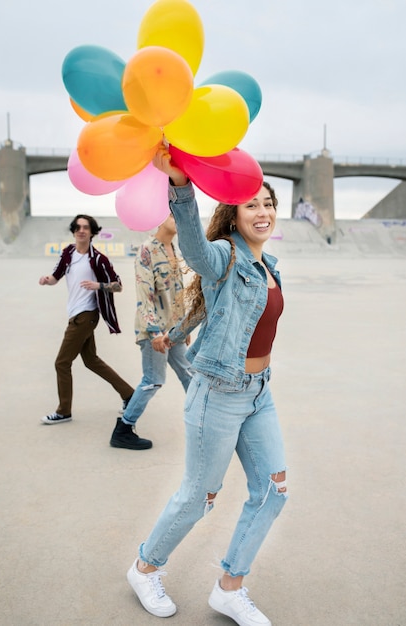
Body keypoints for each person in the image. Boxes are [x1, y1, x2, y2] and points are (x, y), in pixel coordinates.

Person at [126, 145, 288, 626]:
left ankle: (229, 588)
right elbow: (193, 249)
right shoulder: (223, 256)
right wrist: (180, 185)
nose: (262, 212)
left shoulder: (269, 264)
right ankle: (144, 568)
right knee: (199, 496)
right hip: (218, 394)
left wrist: (172, 334)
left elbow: (210, 314)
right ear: (234, 214)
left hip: (259, 392)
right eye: (252, 204)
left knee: (273, 491)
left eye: (268, 203)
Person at [39, 214, 138, 436]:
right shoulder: (68, 253)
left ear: (92, 232)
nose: (81, 230)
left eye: (86, 228)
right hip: (74, 313)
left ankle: (63, 411)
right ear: (73, 231)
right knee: (91, 360)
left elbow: (118, 286)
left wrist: (98, 285)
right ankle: (130, 394)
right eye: (77, 227)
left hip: (85, 316)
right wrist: (48, 280)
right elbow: (56, 276)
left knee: (61, 363)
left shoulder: (98, 259)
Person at [110, 213, 192, 450]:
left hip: (173, 329)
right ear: (159, 216)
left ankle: (203, 420)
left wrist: (184, 325)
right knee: (153, 380)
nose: (178, 217)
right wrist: (155, 331)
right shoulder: (147, 249)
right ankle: (124, 428)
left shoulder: (173, 248)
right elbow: (144, 293)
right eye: (172, 213)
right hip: (154, 330)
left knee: (190, 374)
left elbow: (178, 291)